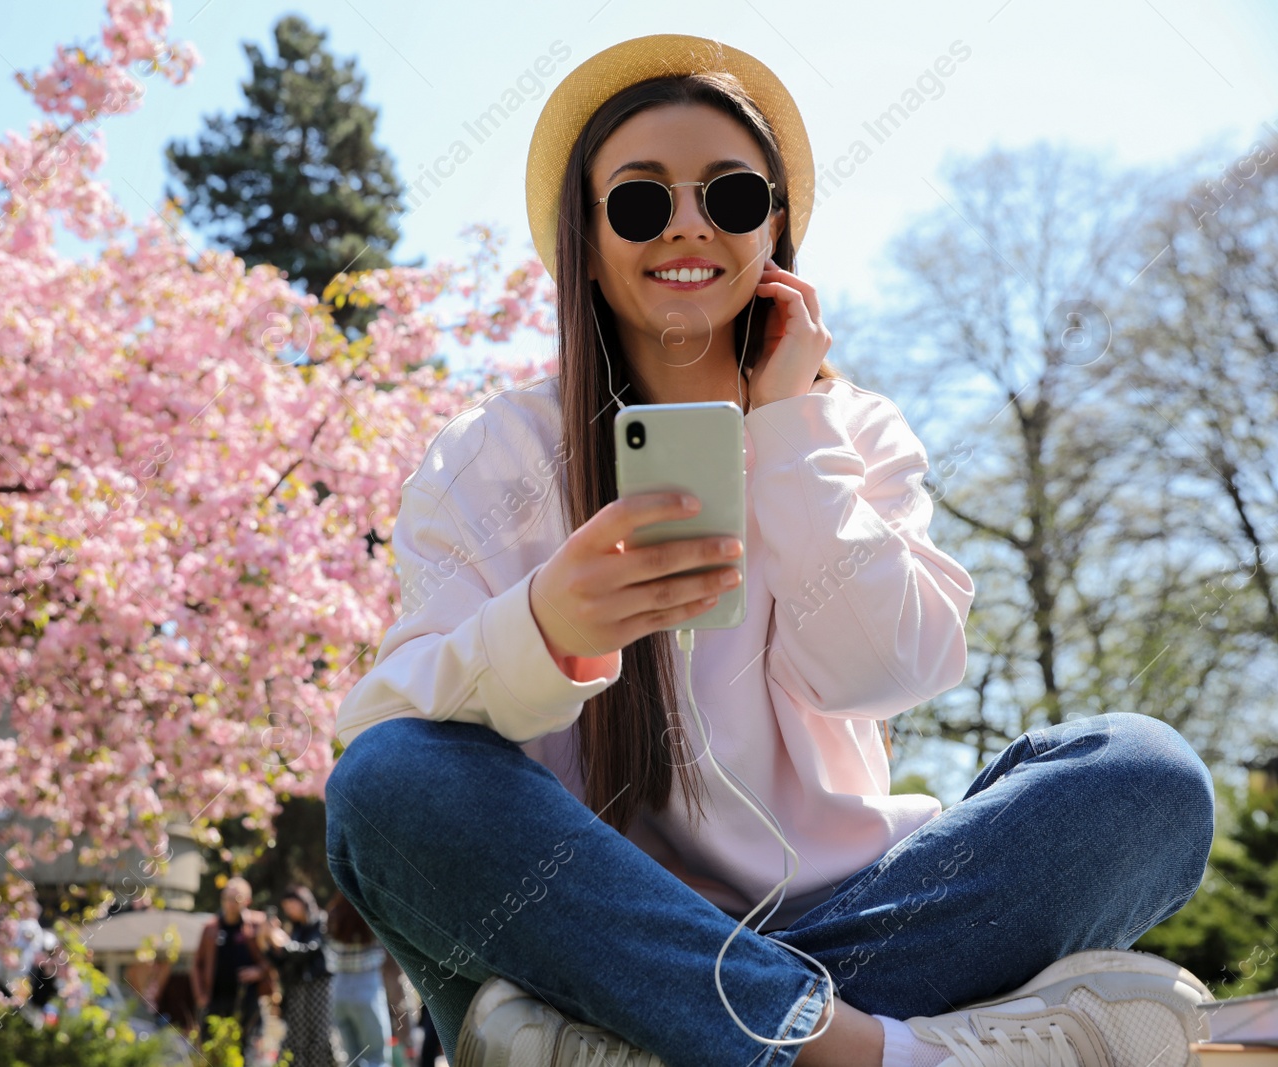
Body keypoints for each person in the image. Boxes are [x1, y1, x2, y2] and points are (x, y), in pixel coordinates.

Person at [323, 32, 1219, 1067]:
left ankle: (665, 1043)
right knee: (388, 782)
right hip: (582, 932)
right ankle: (880, 1052)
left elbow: (887, 667)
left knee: (1145, 775)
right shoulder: (493, 451)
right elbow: (385, 748)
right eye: (641, 200)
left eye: (731, 196)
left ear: (776, 229)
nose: (689, 225)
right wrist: (545, 629)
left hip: (856, 914)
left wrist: (788, 432)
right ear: (587, 229)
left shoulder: (851, 431)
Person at [191, 876, 275, 1063]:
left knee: (248, 1052)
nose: (230, 904)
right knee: (213, 1053)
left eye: (236, 899)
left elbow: (274, 957)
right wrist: (201, 996)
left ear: (247, 901)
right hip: (216, 1001)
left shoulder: (257, 924)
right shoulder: (211, 928)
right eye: (226, 898)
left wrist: (259, 971)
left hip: (248, 1002)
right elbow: (197, 965)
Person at [262, 884, 334, 1067]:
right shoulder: (295, 929)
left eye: (292, 906)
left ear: (304, 902)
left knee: (320, 1038)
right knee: (296, 1039)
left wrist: (283, 942)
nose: (290, 911)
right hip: (297, 992)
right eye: (286, 908)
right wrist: (267, 944)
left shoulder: (321, 921)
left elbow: (309, 951)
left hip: (319, 989)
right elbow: (285, 964)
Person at [325, 890, 394, 1067]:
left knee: (352, 1058)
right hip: (366, 985)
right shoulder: (370, 912)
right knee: (376, 1055)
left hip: (339, 987)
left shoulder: (333, 914)